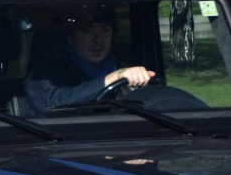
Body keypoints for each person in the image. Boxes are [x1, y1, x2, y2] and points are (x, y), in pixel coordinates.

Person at [25, 6, 155, 113]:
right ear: (70, 38)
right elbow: (49, 105)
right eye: (87, 31)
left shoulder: (123, 69)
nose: (98, 40)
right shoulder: (44, 73)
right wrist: (111, 79)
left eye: (105, 30)